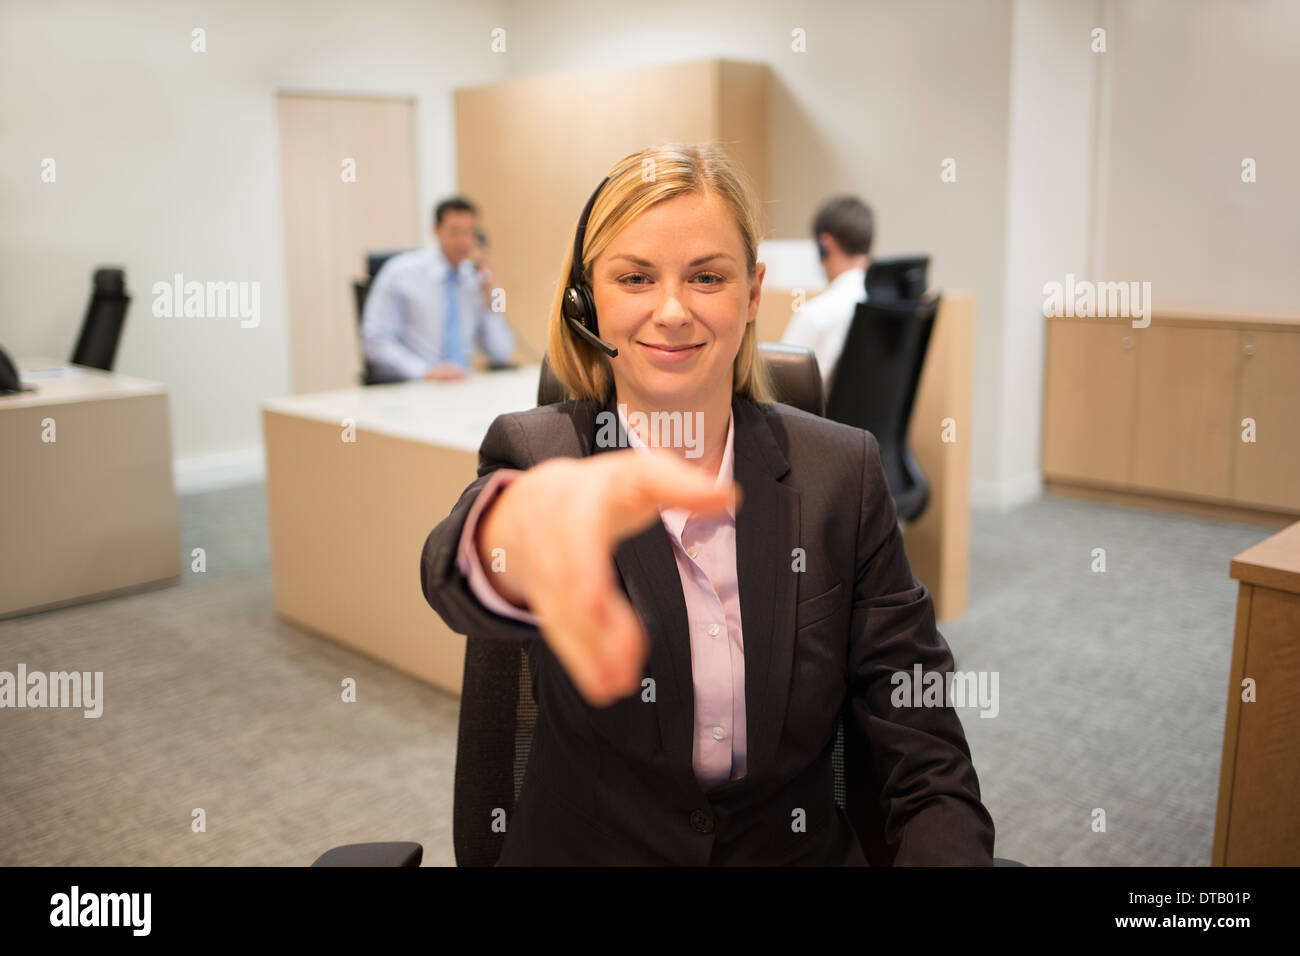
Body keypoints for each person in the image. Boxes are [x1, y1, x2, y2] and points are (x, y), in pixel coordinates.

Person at [419, 143, 994, 865]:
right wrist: (506, 539)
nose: (671, 310)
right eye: (634, 277)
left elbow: (920, 734)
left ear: (752, 294)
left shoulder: (840, 473)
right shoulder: (538, 457)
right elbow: (453, 570)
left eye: (706, 277)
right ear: (587, 298)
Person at [361, 196, 515, 382]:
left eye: (469, 232)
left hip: (462, 387)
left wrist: (490, 299)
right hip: (414, 385)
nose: (463, 241)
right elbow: (375, 341)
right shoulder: (400, 273)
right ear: (436, 229)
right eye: (454, 232)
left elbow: (501, 352)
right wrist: (425, 371)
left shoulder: (474, 279)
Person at [779, 195, 873, 391]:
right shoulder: (886, 304)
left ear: (825, 245)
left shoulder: (817, 315)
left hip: (818, 421)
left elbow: (779, 388)